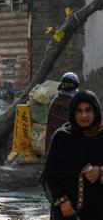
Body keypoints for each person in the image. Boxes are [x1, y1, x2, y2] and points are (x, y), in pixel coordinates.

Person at [40, 90, 103, 220]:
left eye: (88, 110)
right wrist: (61, 201)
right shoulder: (62, 137)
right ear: (72, 113)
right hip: (66, 214)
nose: (83, 115)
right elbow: (48, 177)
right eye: (78, 110)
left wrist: (100, 172)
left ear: (96, 111)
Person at [45, 72, 81, 155]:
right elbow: (50, 124)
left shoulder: (78, 100)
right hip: (55, 137)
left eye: (70, 84)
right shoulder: (56, 100)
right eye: (65, 84)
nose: (67, 86)